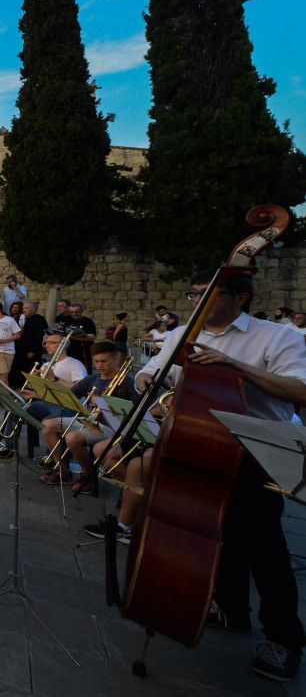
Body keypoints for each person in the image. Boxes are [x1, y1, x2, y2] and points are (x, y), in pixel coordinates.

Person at [120, 270, 306, 681]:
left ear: (240, 298)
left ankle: (285, 638)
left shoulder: (277, 336)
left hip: (256, 452)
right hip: (196, 443)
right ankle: (232, 608)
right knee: (212, 531)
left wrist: (235, 365)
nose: (197, 303)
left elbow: (299, 390)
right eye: (194, 294)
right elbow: (153, 368)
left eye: (208, 295)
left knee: (264, 545)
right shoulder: (183, 333)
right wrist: (146, 377)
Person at [37, 342, 132, 493]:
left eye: (104, 361)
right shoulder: (93, 379)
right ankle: (62, 470)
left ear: (115, 359)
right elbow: (70, 395)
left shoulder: (127, 382)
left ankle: (88, 476)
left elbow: (133, 412)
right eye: (96, 361)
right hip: (92, 422)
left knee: (73, 438)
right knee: (48, 425)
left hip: (113, 427)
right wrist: (40, 392)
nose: (99, 365)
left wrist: (106, 405)